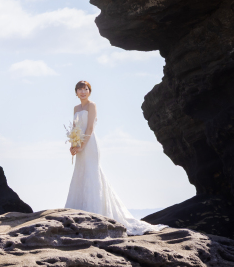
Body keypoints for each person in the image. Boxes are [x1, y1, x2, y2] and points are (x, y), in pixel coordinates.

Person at [65, 80, 165, 235]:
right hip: (79, 146)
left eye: (85, 89)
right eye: (80, 89)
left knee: (92, 174)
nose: (83, 92)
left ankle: (96, 212)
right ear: (76, 92)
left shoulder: (92, 106)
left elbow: (90, 128)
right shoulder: (76, 108)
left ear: (89, 91)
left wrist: (82, 146)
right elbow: (75, 128)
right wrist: (73, 144)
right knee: (80, 173)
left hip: (90, 145)